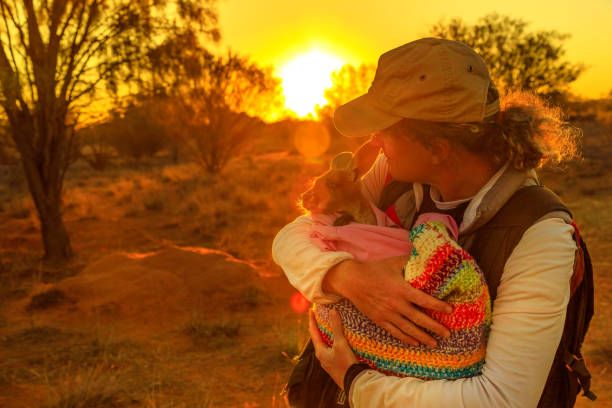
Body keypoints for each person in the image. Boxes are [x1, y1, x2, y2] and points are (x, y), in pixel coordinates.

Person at [272, 37, 579, 407]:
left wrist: (355, 382)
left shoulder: (539, 235)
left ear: (437, 149)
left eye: (386, 129)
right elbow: (294, 236)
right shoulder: (395, 174)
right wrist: (344, 277)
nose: (375, 140)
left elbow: (502, 399)